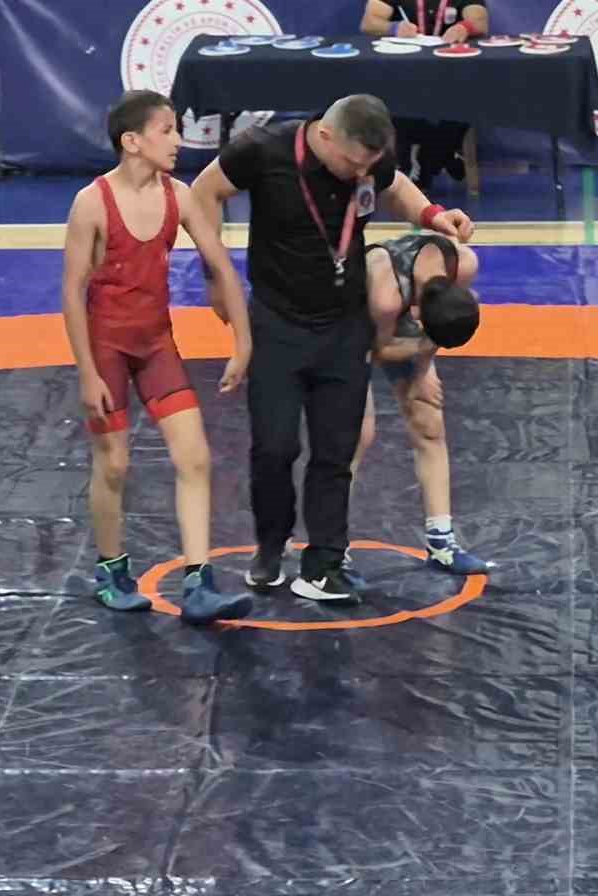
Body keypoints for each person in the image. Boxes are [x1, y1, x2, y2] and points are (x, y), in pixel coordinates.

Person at [190, 94, 475, 607]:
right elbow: (204, 192)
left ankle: (323, 565)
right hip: (278, 322)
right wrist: (215, 273)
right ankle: (270, 546)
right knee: (274, 448)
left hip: (344, 325)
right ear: (325, 136)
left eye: (369, 165)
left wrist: (432, 215)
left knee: (336, 450)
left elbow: (395, 186)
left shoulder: (366, 160)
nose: (361, 175)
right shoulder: (263, 149)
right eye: (353, 163)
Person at [60, 89, 252, 626]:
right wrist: (87, 373)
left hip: (156, 344)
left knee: (195, 457)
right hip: (107, 348)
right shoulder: (92, 202)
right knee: (114, 464)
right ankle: (111, 571)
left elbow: (221, 265)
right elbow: (72, 292)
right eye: (166, 131)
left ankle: (199, 583)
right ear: (132, 141)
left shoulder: (179, 196)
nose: (178, 141)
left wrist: (243, 341)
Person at [347, 231, 492, 585]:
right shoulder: (386, 296)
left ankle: (441, 540)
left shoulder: (462, 264)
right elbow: (376, 350)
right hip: (352, 322)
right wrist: (422, 350)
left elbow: (440, 329)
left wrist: (423, 370)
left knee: (428, 422)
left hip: (405, 320)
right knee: (355, 435)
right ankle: (331, 546)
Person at [359, 0, 489, 189]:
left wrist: (464, 27)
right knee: (393, 93)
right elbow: (369, 22)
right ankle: (441, 154)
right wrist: (394, 27)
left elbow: (480, 20)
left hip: (451, 71)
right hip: (403, 71)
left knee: (471, 92)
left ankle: (430, 155)